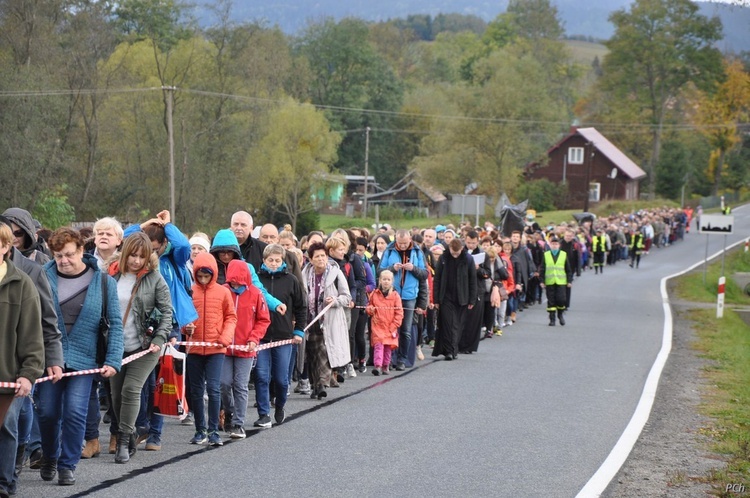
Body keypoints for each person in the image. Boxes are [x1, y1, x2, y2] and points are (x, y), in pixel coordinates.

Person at [39, 228, 123, 486]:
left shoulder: (103, 281)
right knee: (47, 412)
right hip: (49, 358)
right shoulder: (43, 278)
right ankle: (51, 456)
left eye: (69, 254)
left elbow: (115, 324)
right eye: (58, 255)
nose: (63, 260)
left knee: (76, 412)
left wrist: (113, 360)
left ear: (81, 250)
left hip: (85, 358)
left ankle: (67, 464)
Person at [124, 210, 197, 452]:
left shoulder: (174, 260)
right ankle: (141, 426)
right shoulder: (139, 263)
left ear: (164, 244)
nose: (153, 253)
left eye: (157, 248)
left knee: (163, 380)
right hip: (143, 325)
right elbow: (124, 239)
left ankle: (156, 433)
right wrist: (143, 225)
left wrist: (167, 225)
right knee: (144, 379)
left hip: (171, 324)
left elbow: (184, 245)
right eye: (149, 248)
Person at [107, 233, 173, 463]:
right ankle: (132, 429)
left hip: (145, 347)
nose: (136, 261)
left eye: (141, 256)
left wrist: (159, 338)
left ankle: (124, 440)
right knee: (116, 396)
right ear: (125, 253)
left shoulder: (155, 278)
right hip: (115, 346)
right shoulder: (111, 275)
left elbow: (167, 312)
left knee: (131, 389)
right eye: (133, 255)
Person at [0, 222, 45, 497]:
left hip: (8, 375)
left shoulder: (21, 284)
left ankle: (4, 483)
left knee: (6, 428)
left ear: (5, 247)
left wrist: (28, 374)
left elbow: (32, 334)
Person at [186, 253, 237, 446]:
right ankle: (200, 430)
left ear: (213, 274)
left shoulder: (223, 292)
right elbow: (184, 317)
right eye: (200, 276)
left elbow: (231, 317)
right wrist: (186, 327)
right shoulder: (190, 291)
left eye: (207, 276)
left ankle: (214, 430)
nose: (203, 280)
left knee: (214, 389)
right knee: (196, 390)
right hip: (195, 348)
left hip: (216, 349)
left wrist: (224, 338)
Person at [254, 245, 306, 427]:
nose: (274, 264)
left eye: (278, 260)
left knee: (281, 378)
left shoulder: (291, 280)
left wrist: (299, 331)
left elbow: (301, 307)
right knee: (261, 375)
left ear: (283, 261)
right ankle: (263, 413)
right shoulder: (257, 280)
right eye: (270, 260)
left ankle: (280, 405)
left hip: (284, 337)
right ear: (264, 260)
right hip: (261, 336)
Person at [221, 260, 271, 438]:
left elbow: (263, 319)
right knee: (224, 384)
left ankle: (238, 423)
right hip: (225, 348)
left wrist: (254, 338)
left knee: (240, 385)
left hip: (246, 348)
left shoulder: (256, 294)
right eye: (232, 282)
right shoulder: (223, 291)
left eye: (239, 283)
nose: (235, 286)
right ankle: (229, 410)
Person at [302, 242, 351, 400]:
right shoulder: (304, 275)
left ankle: (323, 383)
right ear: (310, 259)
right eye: (317, 256)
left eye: (323, 255)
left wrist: (335, 300)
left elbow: (347, 297)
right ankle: (315, 384)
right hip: (309, 321)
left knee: (324, 350)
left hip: (328, 321)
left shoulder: (336, 273)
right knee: (312, 354)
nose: (321, 259)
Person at [378, 230, 427, 370]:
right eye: (400, 243)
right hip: (391, 296)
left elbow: (425, 274)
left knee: (406, 330)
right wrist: (392, 268)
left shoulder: (418, 252)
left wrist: (413, 268)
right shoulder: (389, 250)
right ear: (396, 240)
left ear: (410, 239)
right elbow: (379, 271)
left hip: (409, 296)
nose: (403, 246)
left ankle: (402, 359)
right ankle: (390, 359)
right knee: (392, 328)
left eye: (405, 243)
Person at [432, 238, 477, 361]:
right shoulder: (443, 258)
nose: (455, 255)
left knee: (457, 325)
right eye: (453, 252)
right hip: (446, 297)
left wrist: (472, 300)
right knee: (448, 324)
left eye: (457, 253)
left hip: (462, 297)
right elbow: (437, 280)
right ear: (449, 248)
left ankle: (453, 349)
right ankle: (450, 351)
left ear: (462, 249)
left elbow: (473, 280)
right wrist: (436, 299)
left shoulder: (468, 259)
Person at [366, 270, 403, 376]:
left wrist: (394, 325)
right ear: (380, 280)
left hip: (390, 326)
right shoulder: (374, 294)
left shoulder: (395, 296)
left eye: (388, 279)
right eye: (384, 279)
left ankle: (385, 365)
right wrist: (370, 309)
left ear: (392, 281)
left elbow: (399, 312)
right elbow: (369, 306)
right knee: (378, 345)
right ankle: (377, 365)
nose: (386, 282)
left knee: (387, 347)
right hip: (378, 324)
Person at [539, 235, 572, 327]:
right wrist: (542, 281)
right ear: (550, 245)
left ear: (559, 245)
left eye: (556, 244)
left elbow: (568, 269)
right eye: (552, 244)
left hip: (561, 281)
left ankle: (560, 314)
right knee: (551, 301)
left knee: (561, 300)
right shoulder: (546, 255)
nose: (554, 246)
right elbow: (542, 268)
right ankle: (552, 318)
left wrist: (569, 281)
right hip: (550, 281)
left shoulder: (563, 254)